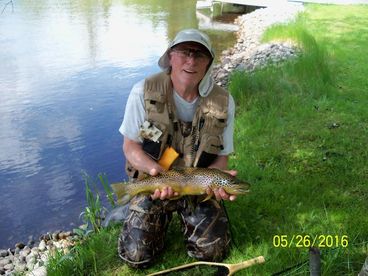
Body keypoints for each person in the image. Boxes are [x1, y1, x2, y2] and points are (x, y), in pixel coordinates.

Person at [118, 28, 236, 268]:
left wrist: (217, 182)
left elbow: (222, 158)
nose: (191, 60)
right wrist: (155, 173)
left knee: (213, 253)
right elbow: (130, 146)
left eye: (199, 55)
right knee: (136, 257)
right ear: (170, 56)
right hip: (155, 183)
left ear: (208, 64)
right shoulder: (143, 92)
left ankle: (188, 216)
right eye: (184, 52)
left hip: (197, 186)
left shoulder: (223, 102)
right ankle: (157, 219)